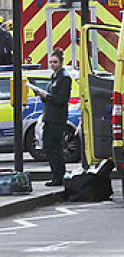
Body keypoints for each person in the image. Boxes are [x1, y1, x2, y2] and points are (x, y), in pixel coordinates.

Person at [29, 48, 72, 187]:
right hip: (50, 117)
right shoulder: (54, 76)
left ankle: (58, 177)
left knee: (54, 148)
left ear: (61, 63)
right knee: (50, 147)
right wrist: (42, 96)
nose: (52, 64)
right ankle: (57, 175)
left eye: (55, 62)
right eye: (51, 62)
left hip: (57, 119)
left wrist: (46, 96)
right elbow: (50, 98)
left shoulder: (64, 78)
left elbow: (61, 99)